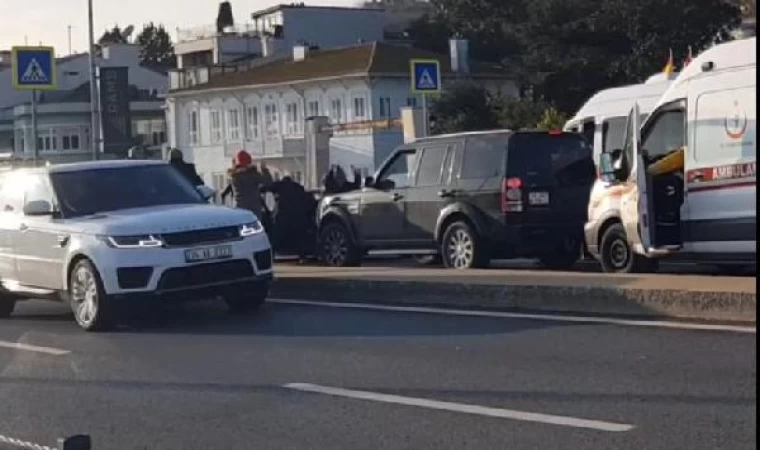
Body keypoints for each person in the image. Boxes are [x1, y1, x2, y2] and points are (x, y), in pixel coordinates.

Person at [267, 175, 315, 261]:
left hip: (283, 214)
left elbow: (267, 187)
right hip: (298, 215)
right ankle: (302, 256)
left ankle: (271, 255)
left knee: (276, 236)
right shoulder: (298, 187)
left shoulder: (280, 185)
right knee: (300, 236)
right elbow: (307, 200)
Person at [221, 150, 265, 218]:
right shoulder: (253, 175)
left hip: (239, 208)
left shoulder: (233, 176)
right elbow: (268, 182)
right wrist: (264, 169)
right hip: (254, 210)